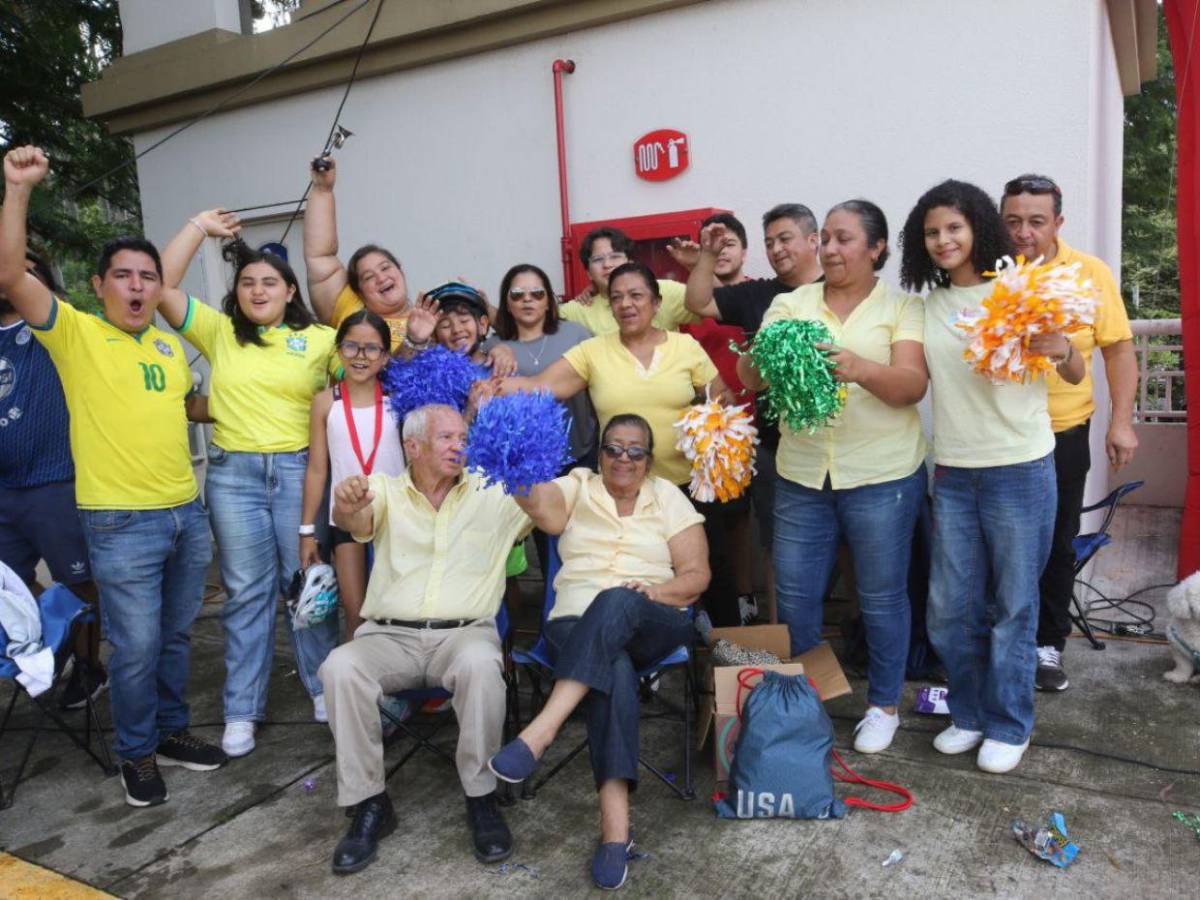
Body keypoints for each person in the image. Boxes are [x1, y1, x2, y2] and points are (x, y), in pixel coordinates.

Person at [0, 145, 226, 807]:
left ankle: (171, 731)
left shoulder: (161, 339)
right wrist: (17, 190)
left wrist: (193, 227)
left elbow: (165, 286)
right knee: (134, 646)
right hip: (120, 522)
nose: (136, 286)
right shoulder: (74, 334)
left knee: (178, 635)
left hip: (186, 510)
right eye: (121, 275)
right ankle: (136, 753)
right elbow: (11, 273)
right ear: (97, 285)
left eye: (146, 277)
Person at [900, 179, 1084, 774]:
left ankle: (1009, 723)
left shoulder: (1019, 289)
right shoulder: (924, 307)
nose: (943, 239)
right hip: (953, 471)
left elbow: (1078, 372)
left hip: (1020, 470)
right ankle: (970, 713)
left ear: (978, 226)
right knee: (950, 607)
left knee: (1013, 607)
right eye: (931, 232)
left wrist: (1060, 348)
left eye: (954, 227)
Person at [737, 199, 928, 754]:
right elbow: (751, 377)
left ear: (876, 249)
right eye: (826, 239)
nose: (831, 249)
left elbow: (911, 386)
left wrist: (857, 367)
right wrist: (766, 358)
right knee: (796, 600)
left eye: (845, 239)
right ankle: (812, 701)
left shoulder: (902, 307)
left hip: (884, 475)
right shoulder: (790, 303)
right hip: (802, 476)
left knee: (882, 597)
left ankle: (883, 704)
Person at [488, 414, 710, 890]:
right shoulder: (577, 485)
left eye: (635, 451)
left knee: (616, 600)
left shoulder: (667, 496)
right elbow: (544, 513)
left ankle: (541, 731)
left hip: (653, 614)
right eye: (613, 448)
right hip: (573, 622)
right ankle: (616, 835)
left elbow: (696, 577)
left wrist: (648, 594)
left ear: (649, 460)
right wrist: (515, 465)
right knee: (616, 669)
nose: (623, 459)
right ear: (599, 453)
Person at [320, 403, 532, 875]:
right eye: (447, 438)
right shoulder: (385, 490)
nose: (460, 445)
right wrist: (346, 503)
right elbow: (353, 519)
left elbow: (553, 516)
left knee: (482, 665)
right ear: (412, 447)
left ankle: (482, 798)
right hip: (389, 637)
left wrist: (527, 471)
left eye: (463, 437)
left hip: (464, 636)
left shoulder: (494, 490)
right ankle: (369, 803)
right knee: (340, 666)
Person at [159, 213, 342, 759]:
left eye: (269, 282)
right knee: (246, 595)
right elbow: (164, 286)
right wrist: (196, 227)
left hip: (297, 472)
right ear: (235, 294)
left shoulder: (320, 339)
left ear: (290, 291)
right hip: (234, 475)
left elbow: (365, 370)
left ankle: (322, 687)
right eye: (247, 282)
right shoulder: (219, 333)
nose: (257, 290)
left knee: (307, 585)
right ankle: (242, 708)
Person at [497, 262, 739, 624]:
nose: (626, 304)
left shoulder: (685, 347)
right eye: (617, 298)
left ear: (656, 303)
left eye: (636, 295)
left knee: (713, 573)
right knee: (634, 573)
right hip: (623, 489)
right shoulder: (593, 351)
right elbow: (540, 386)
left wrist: (712, 422)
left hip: (689, 485)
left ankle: (724, 658)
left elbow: (723, 397)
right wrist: (488, 387)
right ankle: (645, 651)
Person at [999, 174, 1138, 692]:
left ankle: (1047, 645)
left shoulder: (1089, 273)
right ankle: (1001, 640)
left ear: (1058, 222)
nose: (1023, 232)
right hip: (1000, 435)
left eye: (1036, 221)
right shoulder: (989, 272)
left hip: (1062, 433)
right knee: (1001, 544)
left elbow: (1118, 349)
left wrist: (1121, 422)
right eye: (1013, 221)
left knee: (1057, 541)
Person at [683, 204, 824, 622]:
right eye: (769, 242)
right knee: (779, 546)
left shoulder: (837, 288)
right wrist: (707, 255)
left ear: (813, 240)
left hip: (839, 443)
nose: (776, 249)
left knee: (846, 546)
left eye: (785, 239)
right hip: (775, 444)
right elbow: (697, 301)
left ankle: (853, 630)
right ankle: (784, 637)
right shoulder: (758, 294)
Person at [0, 248, 107, 709]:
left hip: (56, 482)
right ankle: (52, 643)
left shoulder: (56, 326)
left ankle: (88, 667)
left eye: (24, 266)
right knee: (9, 586)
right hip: (4, 491)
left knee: (79, 583)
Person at [300, 309, 406, 639]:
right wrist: (307, 531)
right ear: (339, 350)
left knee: (398, 612)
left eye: (371, 348)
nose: (361, 356)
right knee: (356, 615)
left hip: (396, 516)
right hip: (345, 518)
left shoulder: (397, 400)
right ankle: (363, 689)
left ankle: (401, 685)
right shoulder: (324, 402)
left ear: (385, 357)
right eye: (351, 346)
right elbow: (318, 469)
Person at [674, 213, 757, 622]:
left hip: (764, 425)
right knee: (726, 524)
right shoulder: (691, 302)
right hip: (718, 438)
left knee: (768, 529)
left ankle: (762, 606)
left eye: (730, 245)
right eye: (715, 247)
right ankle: (734, 602)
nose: (722, 253)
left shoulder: (761, 295)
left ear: (744, 250)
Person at [491, 263, 597, 580]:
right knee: (546, 541)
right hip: (531, 465)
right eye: (518, 294)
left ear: (549, 300)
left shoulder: (577, 334)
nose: (528, 300)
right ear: (506, 302)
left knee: (586, 536)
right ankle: (553, 610)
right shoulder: (496, 348)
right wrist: (496, 347)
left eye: (537, 293)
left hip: (581, 452)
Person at [303, 156, 412, 351]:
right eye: (368, 277)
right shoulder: (352, 308)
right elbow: (320, 255)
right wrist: (323, 190)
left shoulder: (433, 318)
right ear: (359, 292)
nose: (381, 277)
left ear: (401, 271)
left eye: (385, 267)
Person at [558, 226, 699, 335]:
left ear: (630, 262)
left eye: (615, 256)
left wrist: (696, 266)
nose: (607, 264)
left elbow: (713, 302)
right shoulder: (578, 310)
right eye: (598, 259)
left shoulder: (666, 290)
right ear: (588, 273)